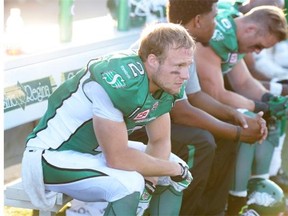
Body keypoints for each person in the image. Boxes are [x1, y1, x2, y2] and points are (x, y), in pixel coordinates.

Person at [21, 23, 195, 216]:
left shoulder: (163, 81)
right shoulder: (120, 79)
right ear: (153, 60)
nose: (185, 75)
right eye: (179, 66)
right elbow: (117, 157)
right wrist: (171, 169)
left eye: (188, 65)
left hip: (94, 152)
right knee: (129, 185)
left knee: (179, 175)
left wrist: (152, 181)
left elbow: (159, 140)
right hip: (51, 156)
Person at [129, 0, 268, 215]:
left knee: (223, 135)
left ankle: (211, 211)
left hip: (158, 121)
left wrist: (235, 117)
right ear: (198, 20)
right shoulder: (169, 44)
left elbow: (195, 96)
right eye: (213, 17)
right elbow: (182, 112)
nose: (217, 23)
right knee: (201, 142)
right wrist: (238, 132)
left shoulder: (183, 42)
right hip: (132, 128)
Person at [195, 5, 288, 215]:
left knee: (262, 118)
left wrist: (271, 99)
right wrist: (263, 107)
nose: (257, 52)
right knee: (246, 121)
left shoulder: (236, 31)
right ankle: (233, 201)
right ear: (251, 29)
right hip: (179, 101)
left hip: (200, 96)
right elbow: (215, 94)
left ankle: (257, 187)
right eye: (258, 46)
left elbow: (244, 82)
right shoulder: (218, 37)